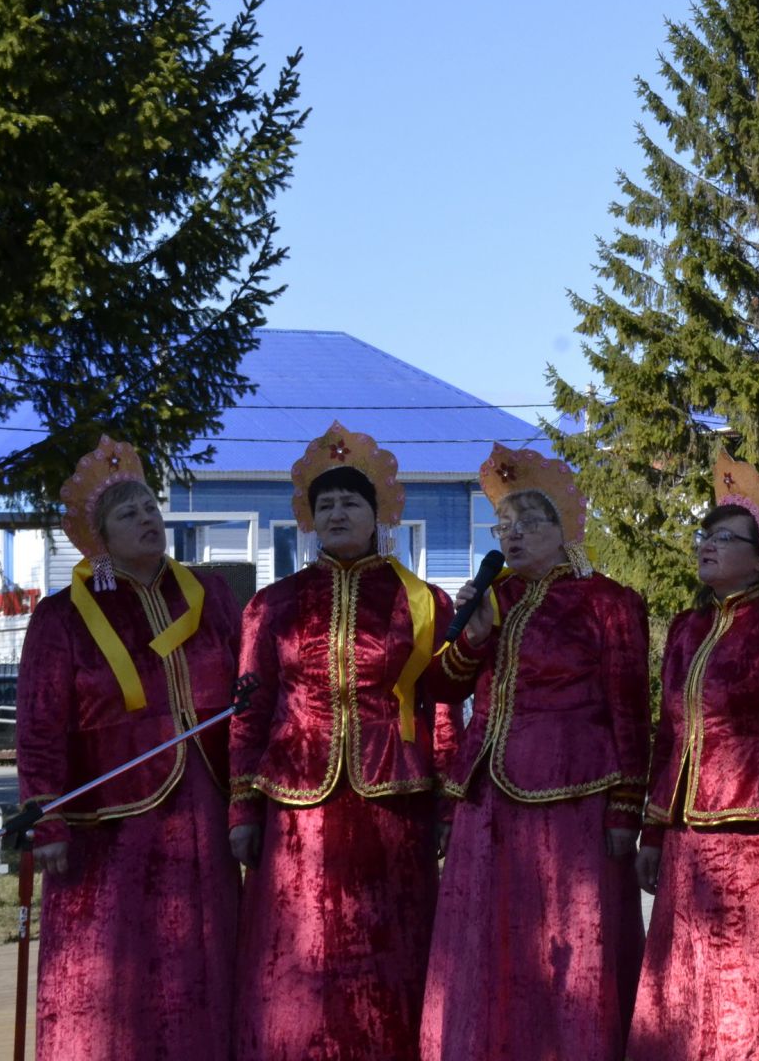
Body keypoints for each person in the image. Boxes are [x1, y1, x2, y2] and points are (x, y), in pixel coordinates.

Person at [229, 422, 457, 1061]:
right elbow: (248, 716)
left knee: (392, 952)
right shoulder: (272, 606)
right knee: (295, 956)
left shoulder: (422, 600)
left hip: (395, 808)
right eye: (323, 505)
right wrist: (242, 808)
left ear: (377, 515)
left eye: (349, 503)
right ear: (309, 520)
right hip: (296, 808)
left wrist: (446, 806)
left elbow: (441, 707)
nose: (336, 513)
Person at [420, 443, 651, 1060]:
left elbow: (630, 708)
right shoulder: (494, 597)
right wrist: (470, 638)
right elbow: (440, 687)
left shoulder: (608, 601)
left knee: (567, 939)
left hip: (573, 797)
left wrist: (627, 809)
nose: (513, 535)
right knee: (489, 938)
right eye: (503, 526)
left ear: (564, 528)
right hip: (487, 796)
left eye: (528, 524)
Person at [16, 437, 242, 1061]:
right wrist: (48, 817)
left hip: (203, 805)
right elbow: (38, 727)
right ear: (100, 540)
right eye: (127, 514)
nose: (146, 520)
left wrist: (249, 799)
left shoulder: (210, 594)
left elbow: (249, 696)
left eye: (150, 508)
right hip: (106, 824)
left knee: (205, 954)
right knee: (116, 971)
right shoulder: (61, 617)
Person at [631, 453, 759, 1061]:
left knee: (756, 989)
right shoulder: (688, 628)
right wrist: (653, 833)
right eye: (703, 535)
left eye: (723, 537)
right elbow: (669, 734)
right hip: (687, 840)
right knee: (684, 992)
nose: (707, 546)